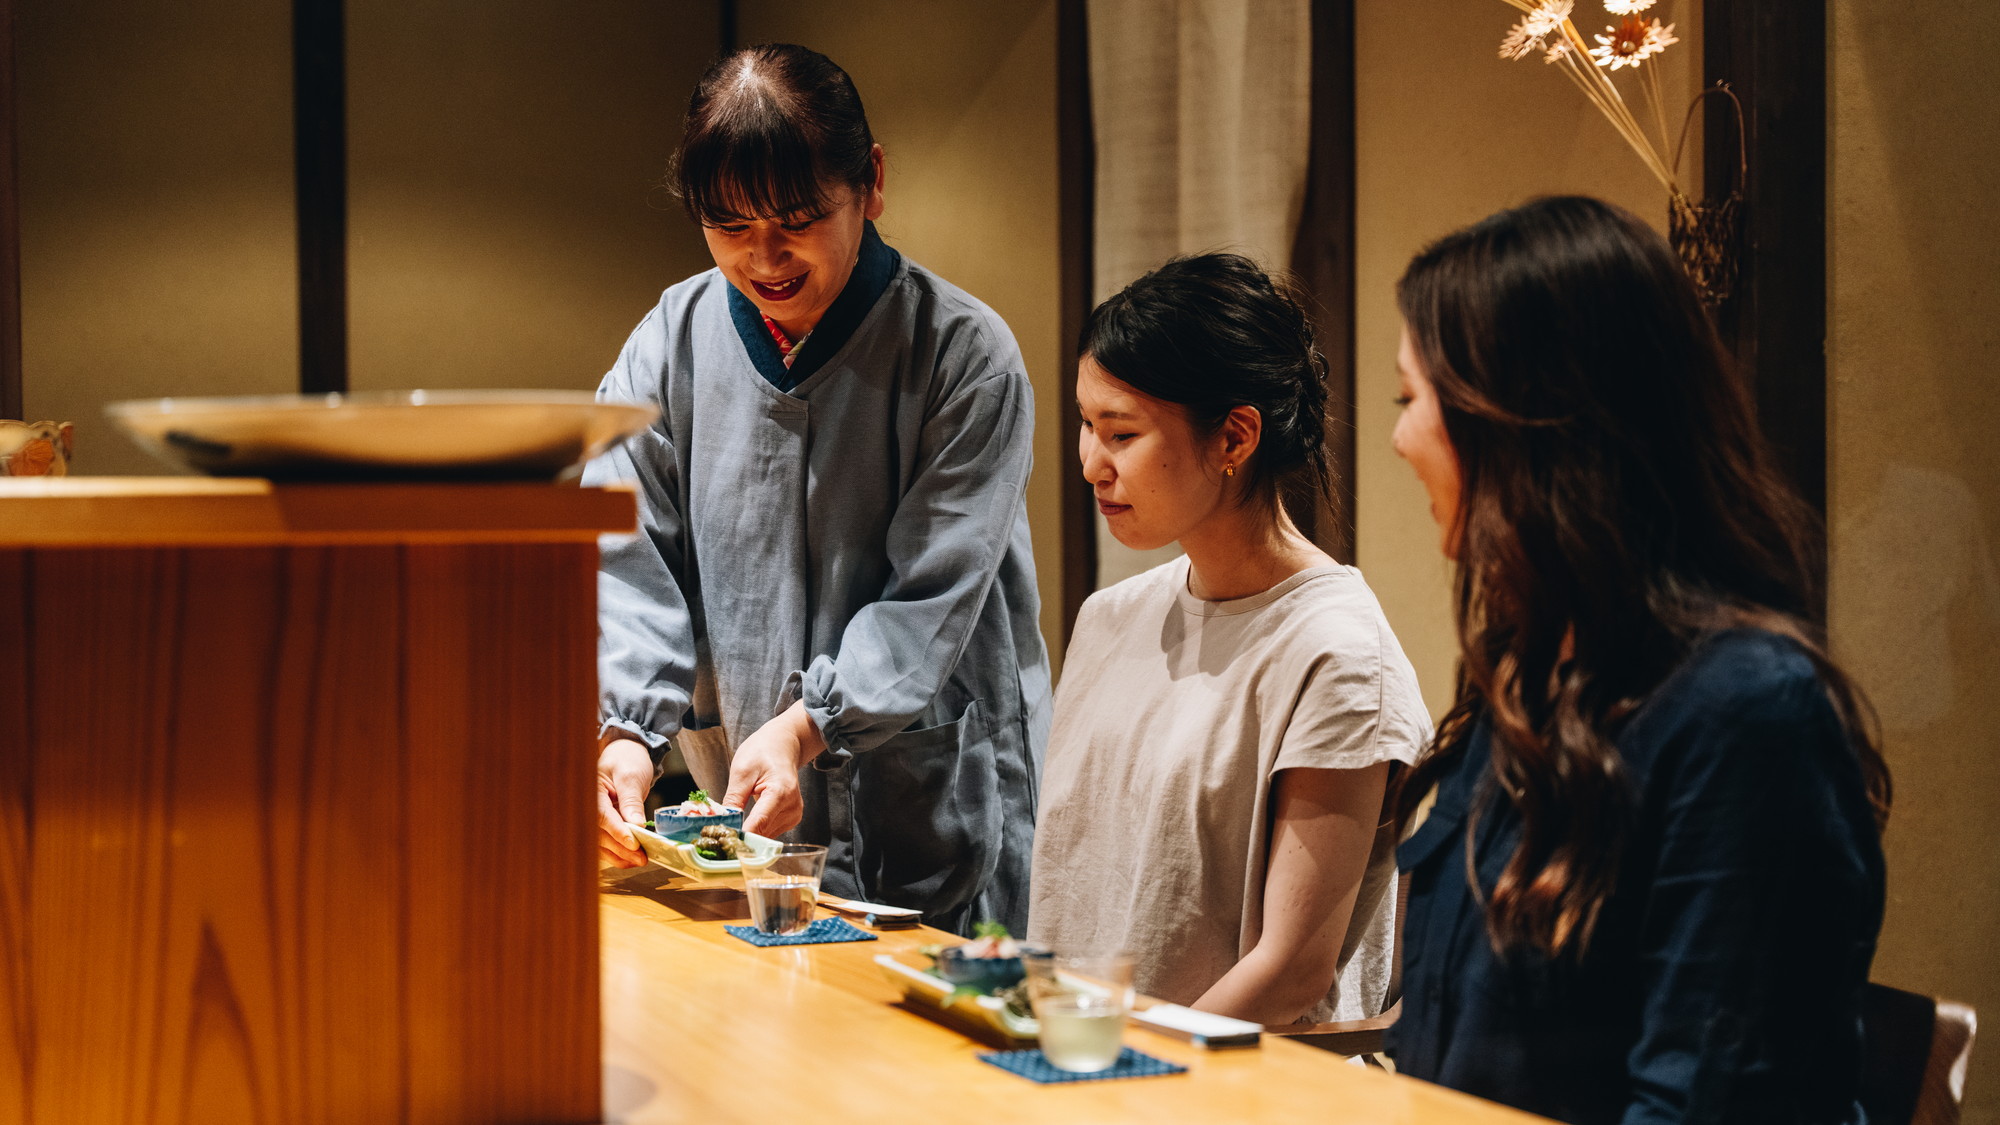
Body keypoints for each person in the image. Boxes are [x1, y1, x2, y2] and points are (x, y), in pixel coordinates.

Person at [1384, 196, 1891, 1124]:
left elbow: (1706, 1098)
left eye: (1412, 399)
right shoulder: (1532, 682)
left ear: (1524, 422)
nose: (1400, 436)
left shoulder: (1747, 714)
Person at [585, 43, 1050, 937]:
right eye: (730, 226)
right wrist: (625, 734)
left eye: (797, 218)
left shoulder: (962, 356)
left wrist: (808, 727)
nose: (765, 258)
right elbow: (626, 552)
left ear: (871, 182)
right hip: (753, 811)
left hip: (929, 795)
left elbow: (930, 598)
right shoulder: (667, 344)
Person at [1028, 254, 1430, 1026]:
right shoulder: (1109, 617)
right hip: (1067, 1064)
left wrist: (1126, 1066)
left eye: (1121, 432)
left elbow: (1292, 970)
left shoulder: (1337, 655)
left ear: (1235, 436)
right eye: (1086, 424)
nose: (1091, 463)